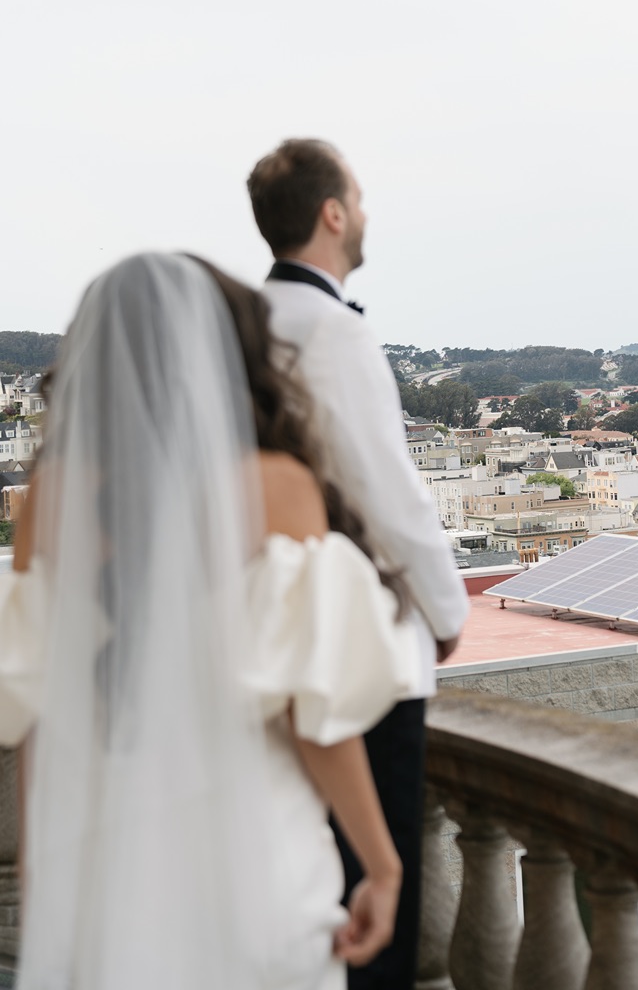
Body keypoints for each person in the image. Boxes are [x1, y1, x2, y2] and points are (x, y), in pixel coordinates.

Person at [0, 252, 419, 990]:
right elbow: (310, 713)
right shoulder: (273, 485)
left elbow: (38, 719)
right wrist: (382, 866)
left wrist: (45, 885)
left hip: (103, 865)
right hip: (256, 856)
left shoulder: (47, 498)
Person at [248, 139, 469, 990]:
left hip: (270, 634)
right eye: (360, 198)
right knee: (376, 902)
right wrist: (447, 616)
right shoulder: (332, 330)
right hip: (357, 641)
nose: (367, 214)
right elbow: (390, 492)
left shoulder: (245, 324)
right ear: (332, 214)